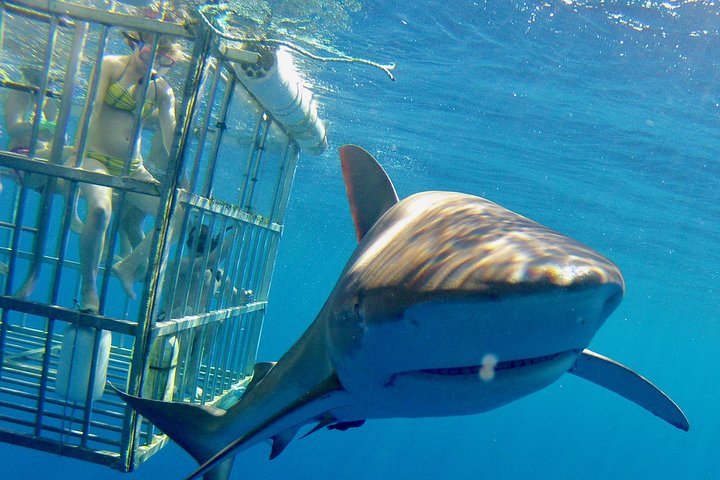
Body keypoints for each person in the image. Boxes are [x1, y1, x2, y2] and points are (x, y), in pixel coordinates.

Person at [74, 31, 185, 313]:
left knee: (177, 215)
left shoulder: (162, 91)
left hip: (132, 167)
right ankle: (89, 288)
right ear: (137, 44)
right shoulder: (111, 65)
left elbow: (170, 133)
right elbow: (91, 108)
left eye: (164, 60)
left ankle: (128, 266)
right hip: (94, 157)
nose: (153, 63)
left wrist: (181, 174)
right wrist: (77, 153)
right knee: (100, 211)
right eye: (149, 52)